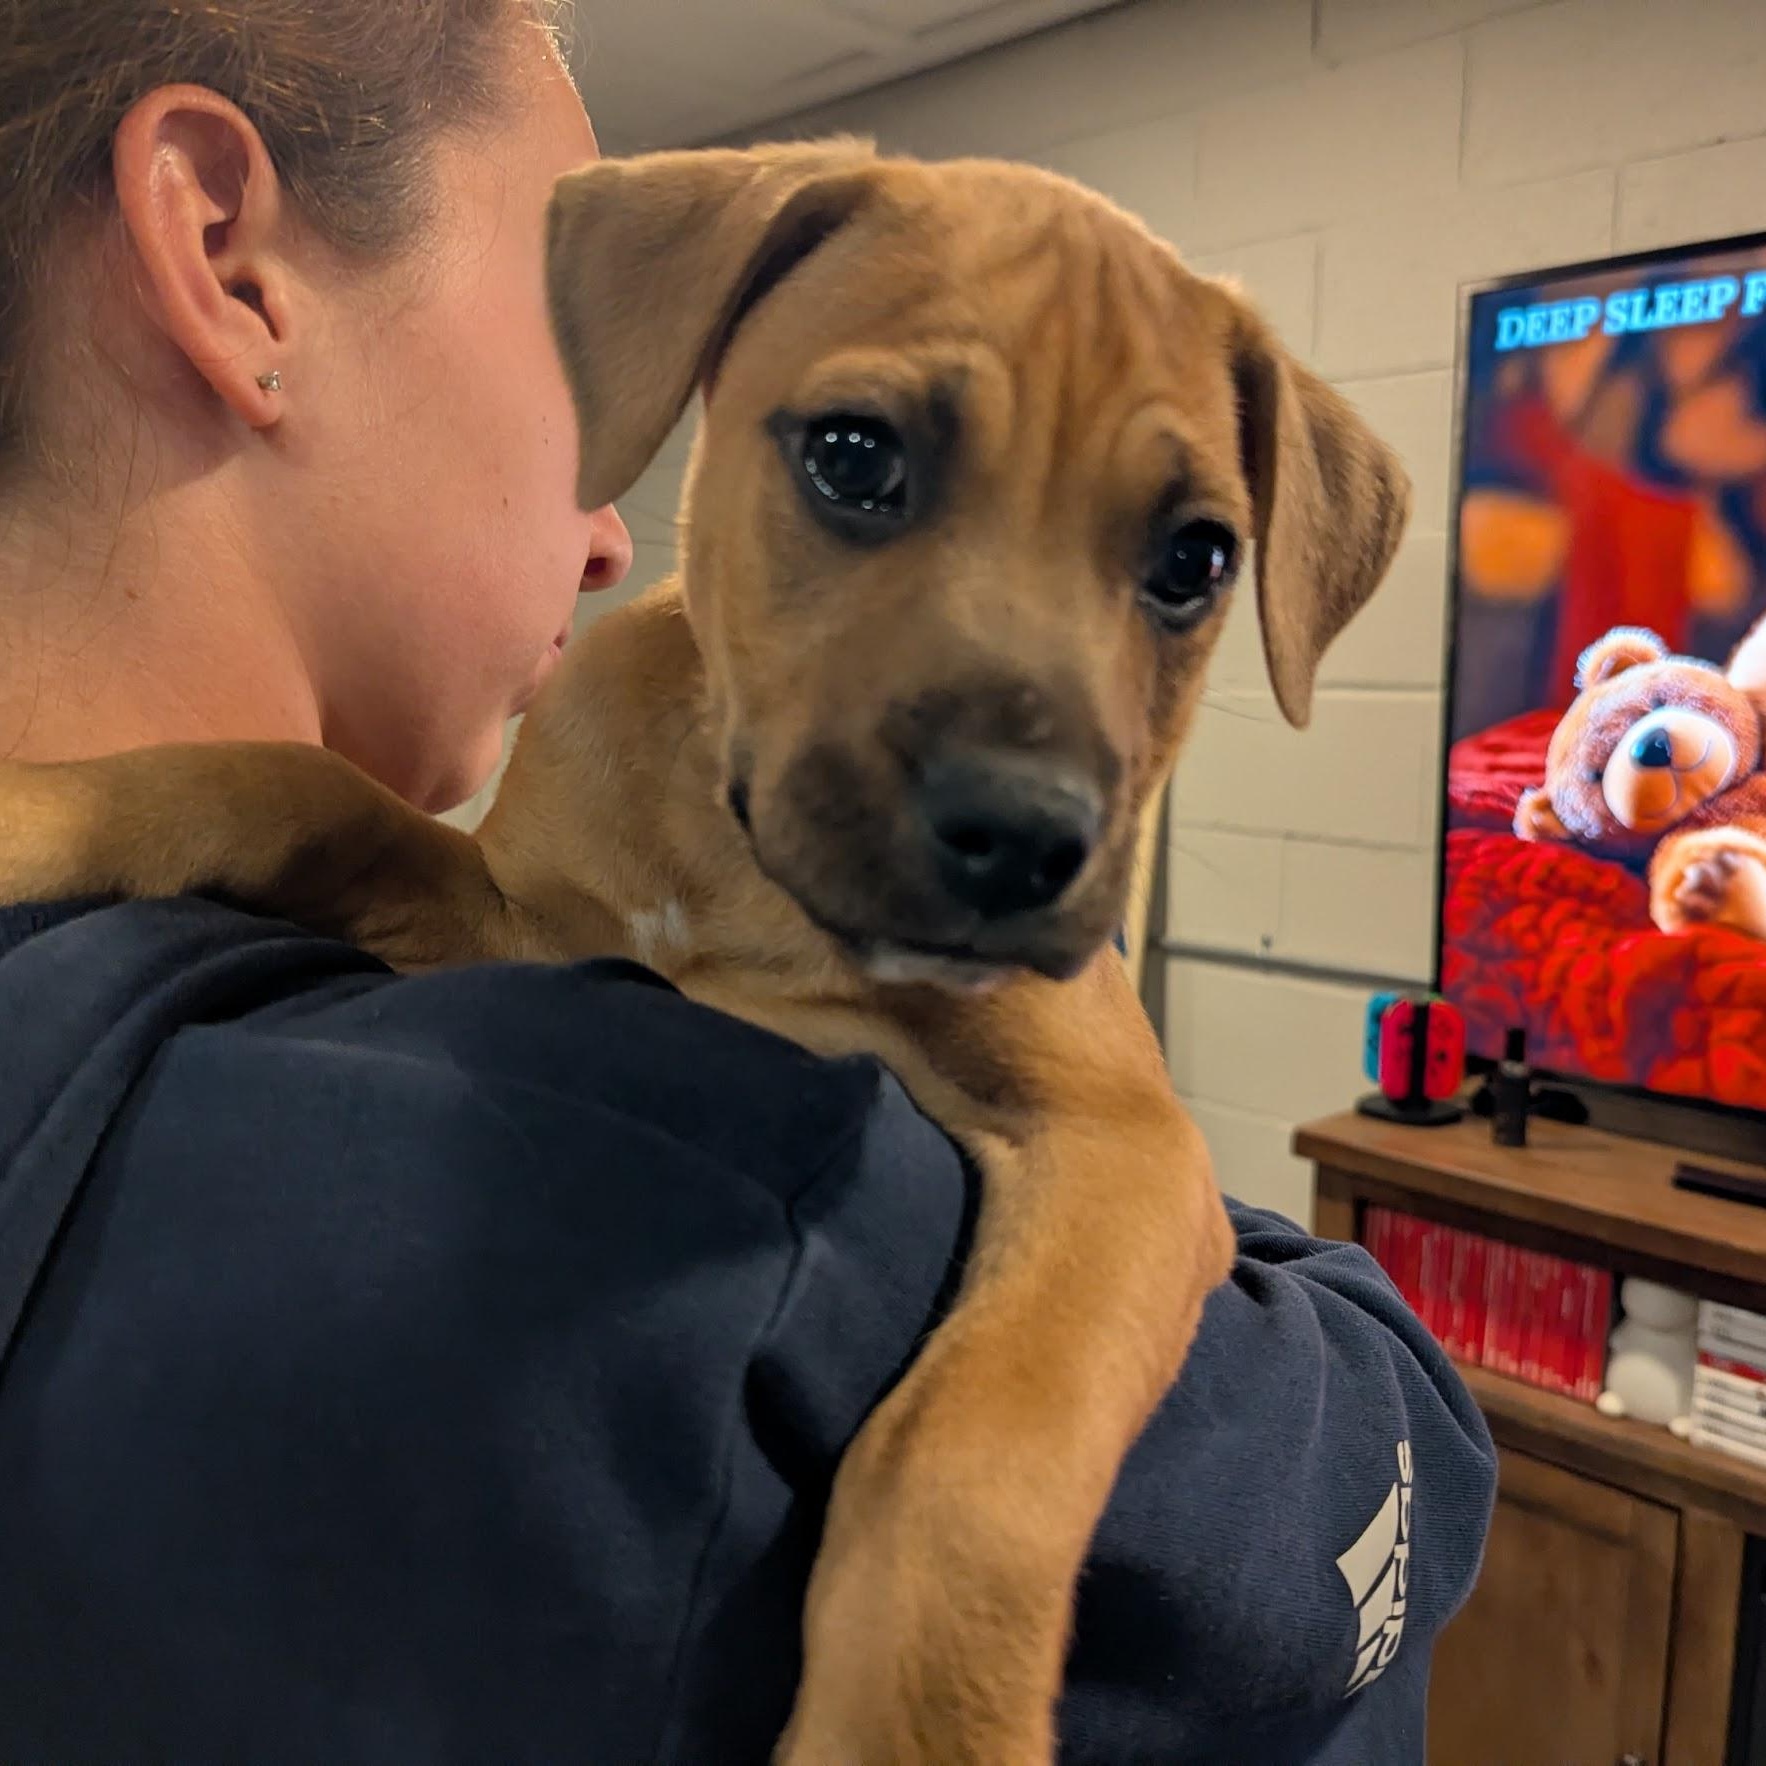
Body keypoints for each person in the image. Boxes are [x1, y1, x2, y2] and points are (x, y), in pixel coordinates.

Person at [0, 2, 1496, 1759]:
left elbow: (490, 939)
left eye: (1177, 568)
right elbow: (1395, 1460)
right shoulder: (683, 1230)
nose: (1033, 764)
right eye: (860, 462)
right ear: (226, 262)